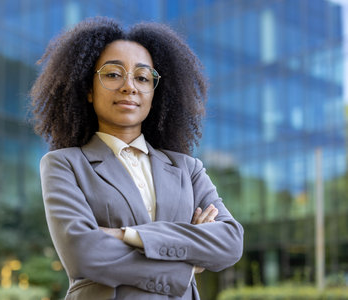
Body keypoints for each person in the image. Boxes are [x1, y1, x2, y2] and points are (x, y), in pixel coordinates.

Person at [31, 17, 244, 300]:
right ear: (88, 90)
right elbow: (84, 253)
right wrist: (187, 262)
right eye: (112, 74)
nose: (129, 86)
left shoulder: (187, 169)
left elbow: (229, 241)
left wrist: (126, 235)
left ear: (155, 94)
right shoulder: (64, 165)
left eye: (143, 77)